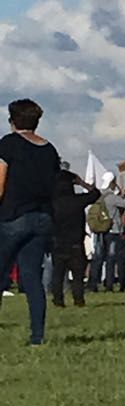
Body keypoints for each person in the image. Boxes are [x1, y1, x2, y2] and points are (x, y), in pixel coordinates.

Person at [0, 98, 61, 345]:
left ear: (12, 121)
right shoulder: (50, 149)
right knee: (32, 278)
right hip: (43, 218)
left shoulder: (8, 144)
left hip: (13, 216)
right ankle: (37, 336)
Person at [51, 169, 101, 308]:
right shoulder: (77, 200)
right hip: (76, 243)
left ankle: (58, 300)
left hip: (58, 242)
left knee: (58, 275)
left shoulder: (53, 202)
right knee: (78, 275)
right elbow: (96, 194)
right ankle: (78, 300)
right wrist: (82, 182)